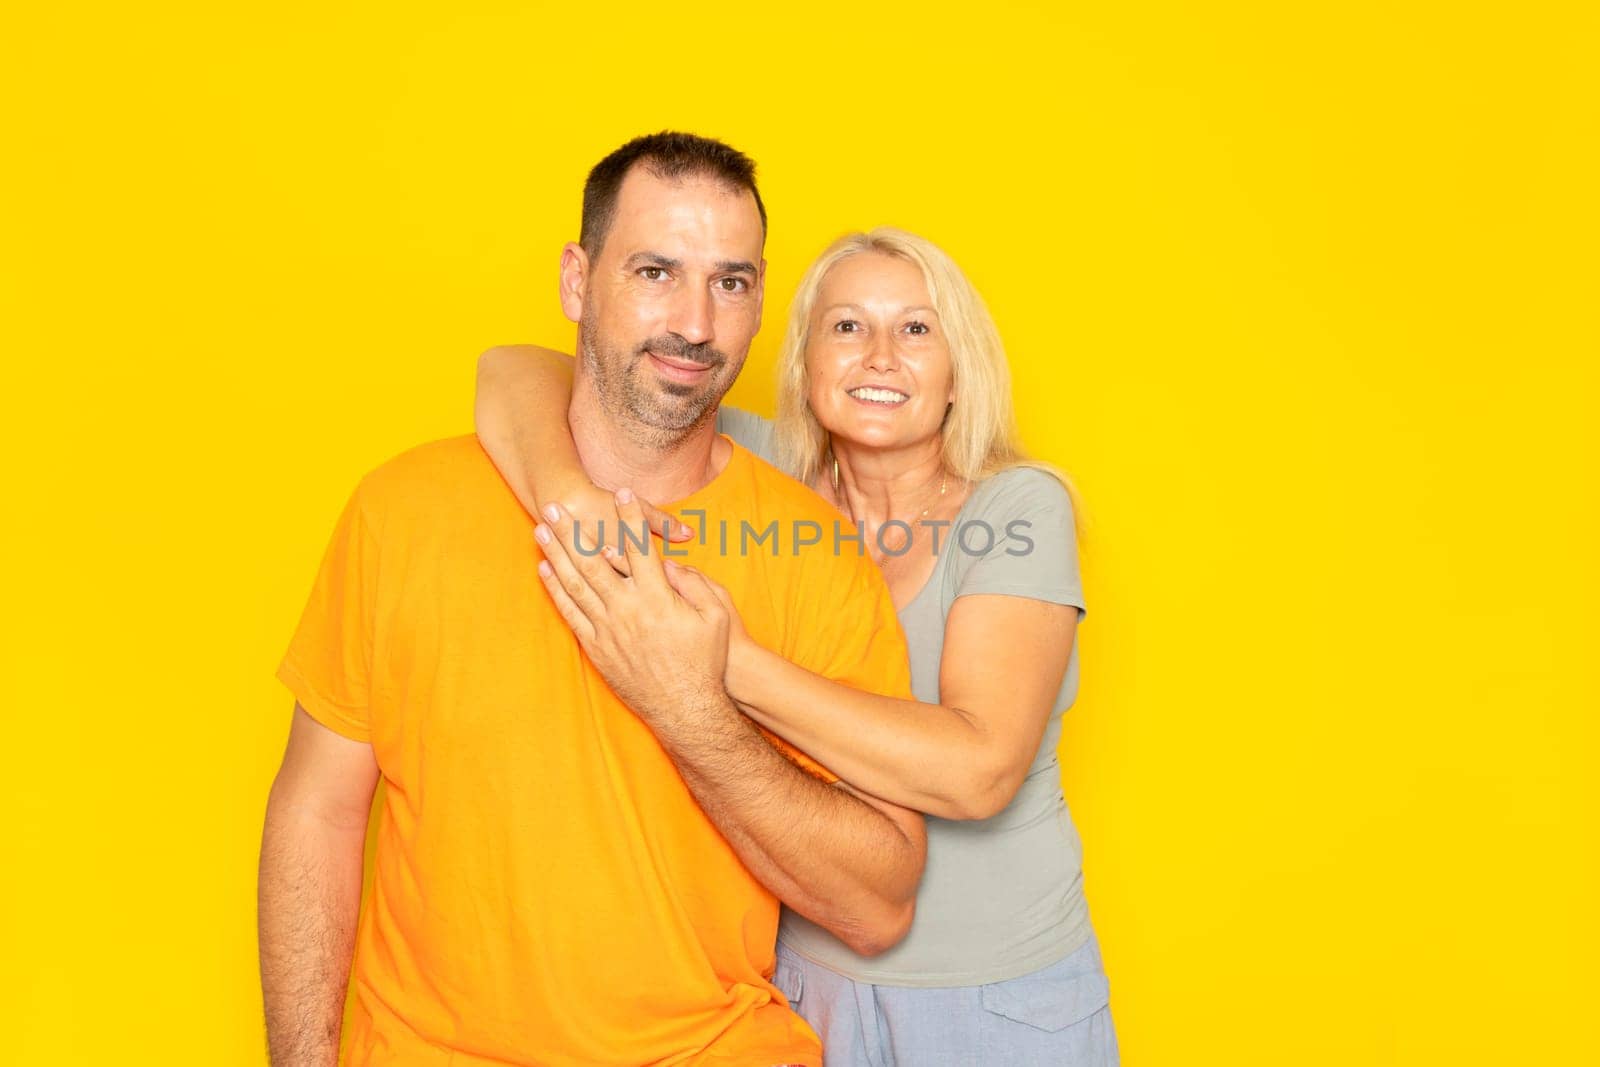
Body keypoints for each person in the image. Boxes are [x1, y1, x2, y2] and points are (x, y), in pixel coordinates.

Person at [258, 132, 928, 1067]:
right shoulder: (404, 509)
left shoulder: (813, 554)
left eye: (731, 283)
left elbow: (876, 901)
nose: (695, 322)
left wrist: (691, 709)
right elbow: (318, 811)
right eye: (656, 271)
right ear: (578, 282)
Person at [476, 227, 1119, 1064]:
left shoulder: (1017, 510)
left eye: (916, 329)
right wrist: (568, 495)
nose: (880, 355)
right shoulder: (758, 467)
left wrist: (722, 661)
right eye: (847, 327)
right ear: (805, 361)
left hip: (1001, 1003)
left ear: (961, 368)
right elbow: (515, 371)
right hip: (804, 992)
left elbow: (978, 769)